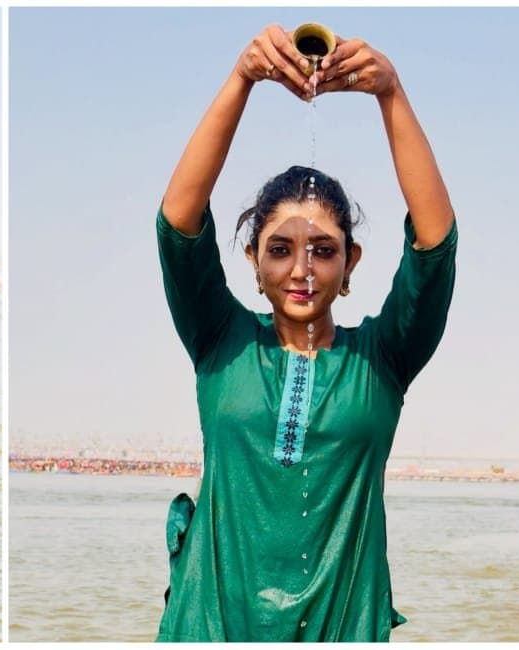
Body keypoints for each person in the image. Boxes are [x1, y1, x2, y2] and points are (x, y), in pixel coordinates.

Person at [155, 25, 455, 643]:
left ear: (351, 264)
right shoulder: (220, 341)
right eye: (281, 249)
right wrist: (242, 77)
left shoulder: (382, 361)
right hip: (208, 627)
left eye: (323, 250)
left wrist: (390, 93)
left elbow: (435, 244)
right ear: (253, 261)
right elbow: (178, 221)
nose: (301, 269)